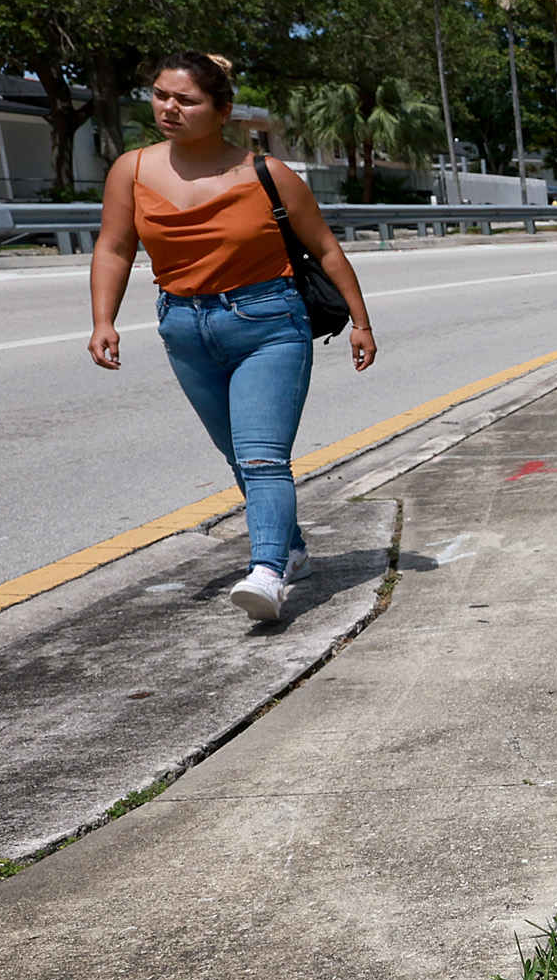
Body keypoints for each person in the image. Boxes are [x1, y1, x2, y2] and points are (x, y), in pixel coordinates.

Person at [86, 52, 378, 622]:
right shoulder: (133, 169)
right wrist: (104, 319)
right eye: (160, 95)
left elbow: (324, 248)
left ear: (222, 111)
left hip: (269, 323)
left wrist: (360, 323)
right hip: (183, 326)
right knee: (237, 456)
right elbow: (115, 246)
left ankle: (267, 571)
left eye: (186, 99)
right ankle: (292, 550)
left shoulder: (268, 173)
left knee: (264, 457)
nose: (169, 108)